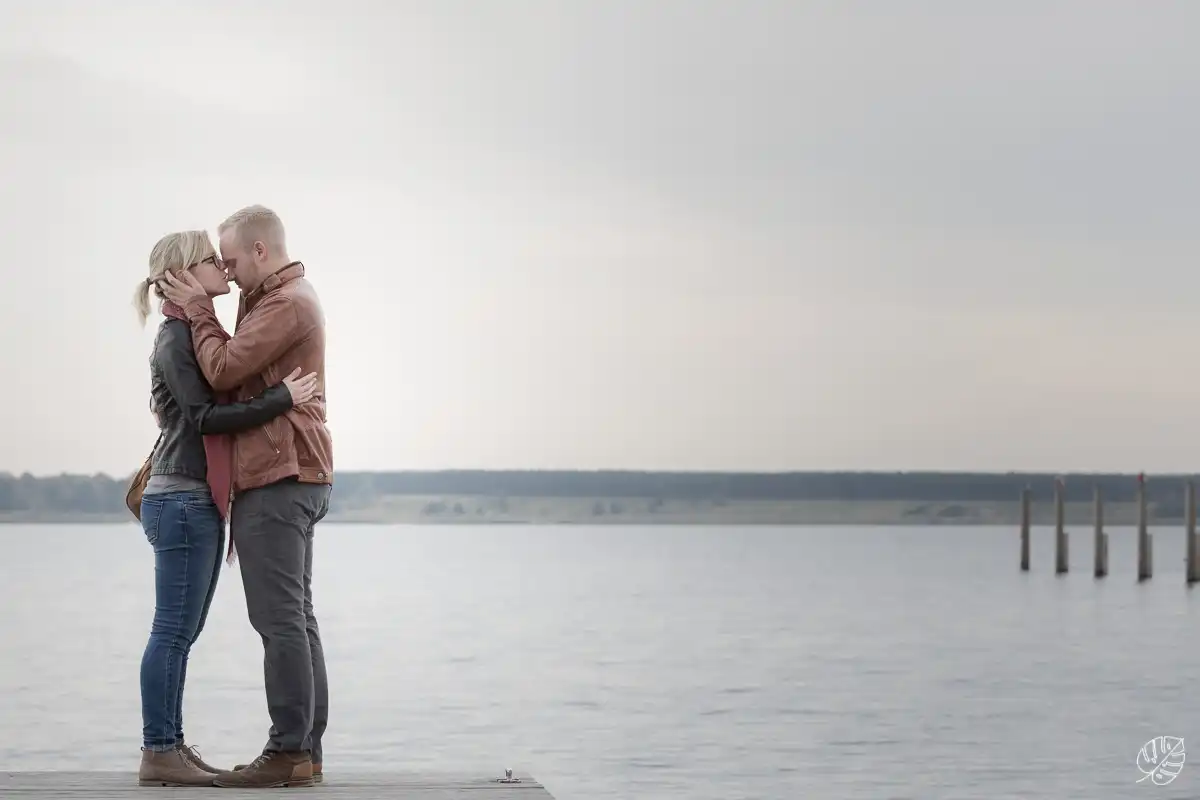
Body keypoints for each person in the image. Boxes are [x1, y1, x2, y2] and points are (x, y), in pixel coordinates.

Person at [133, 230, 320, 787]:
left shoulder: (189, 331)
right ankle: (159, 748)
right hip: (182, 496)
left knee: (180, 632)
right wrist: (281, 399)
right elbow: (204, 418)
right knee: (172, 631)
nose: (223, 267)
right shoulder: (174, 337)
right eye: (211, 260)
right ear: (185, 273)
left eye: (224, 257)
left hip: (193, 497)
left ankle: (170, 744)